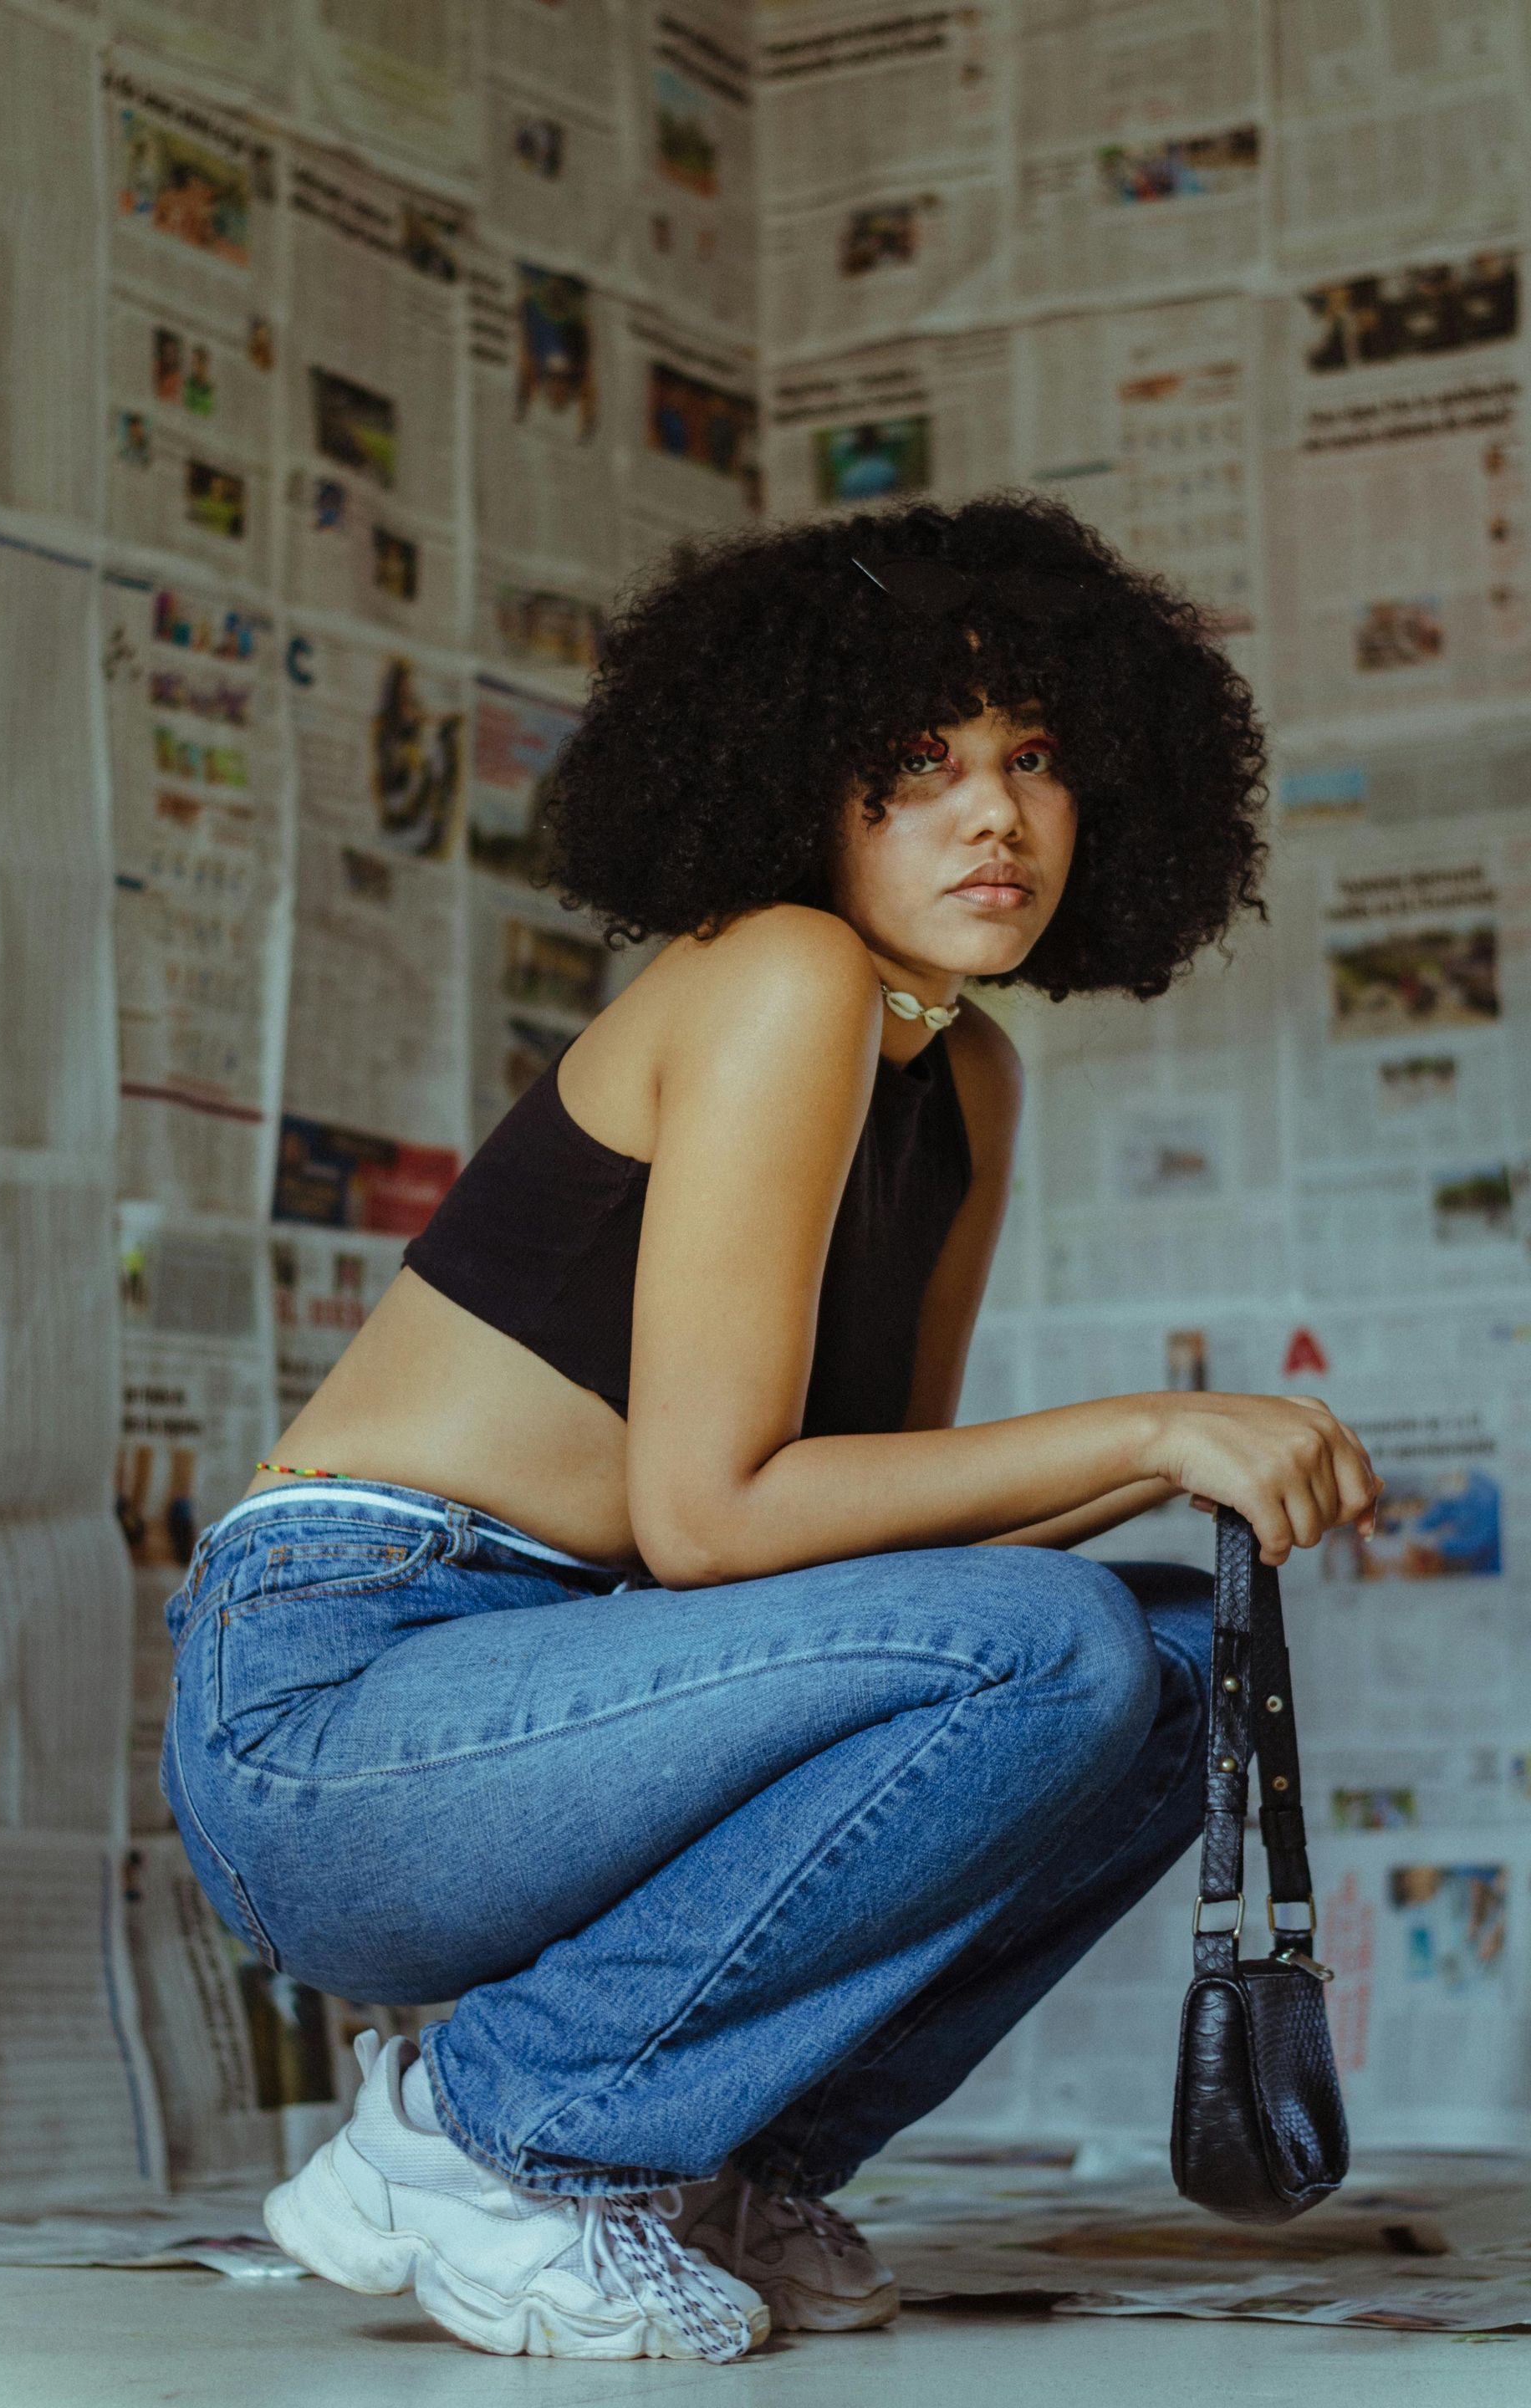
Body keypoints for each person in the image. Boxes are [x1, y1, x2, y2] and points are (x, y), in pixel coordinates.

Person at [161, 497, 1379, 2364]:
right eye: (922, 762)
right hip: (341, 1712)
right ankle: (488, 2140)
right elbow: (717, 1520)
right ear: (800, 782)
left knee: (1163, 1668)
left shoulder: (966, 1077)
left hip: (590, 1690)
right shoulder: (780, 975)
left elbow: (872, 1550)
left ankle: (722, 2166)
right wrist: (1154, 1421)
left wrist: (1170, 1459)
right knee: (1055, 1644)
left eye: (1035, 758)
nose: (994, 817)